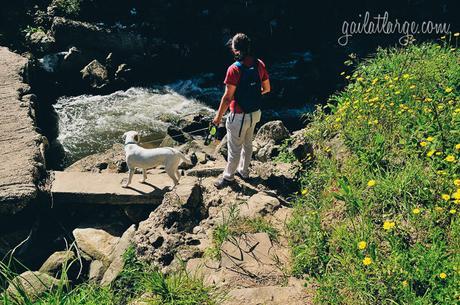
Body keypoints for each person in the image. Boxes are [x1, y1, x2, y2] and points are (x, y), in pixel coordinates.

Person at [212, 33, 271, 189]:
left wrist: (218, 118)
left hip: (239, 116)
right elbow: (267, 89)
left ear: (235, 49)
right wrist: (253, 94)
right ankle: (244, 172)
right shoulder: (259, 64)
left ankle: (228, 177)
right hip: (255, 113)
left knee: (234, 149)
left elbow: (227, 98)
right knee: (248, 143)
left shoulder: (234, 69)